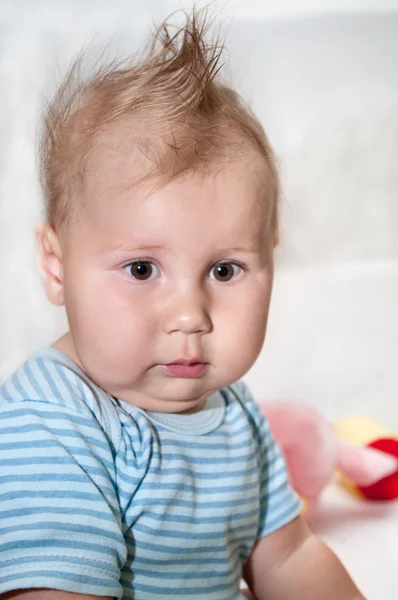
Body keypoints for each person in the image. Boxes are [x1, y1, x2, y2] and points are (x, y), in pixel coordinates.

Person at [0, 9, 366, 600]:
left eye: (224, 270)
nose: (190, 315)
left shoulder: (236, 412)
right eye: (142, 269)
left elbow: (288, 557)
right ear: (57, 266)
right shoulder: (52, 418)